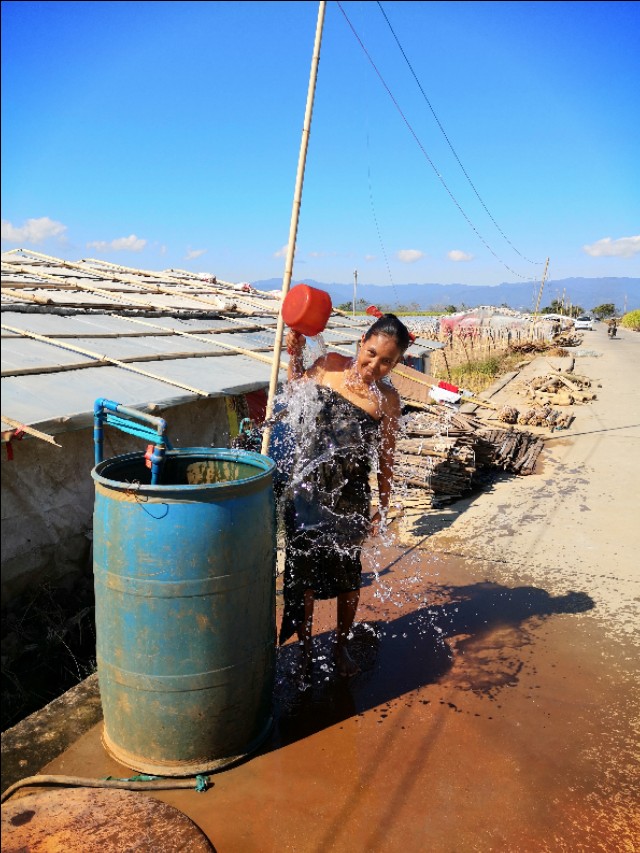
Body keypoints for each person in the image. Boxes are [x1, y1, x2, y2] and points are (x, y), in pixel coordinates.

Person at [279, 313, 411, 680]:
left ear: (397, 363)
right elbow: (294, 396)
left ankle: (340, 647)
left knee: (347, 578)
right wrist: (294, 356)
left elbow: (386, 461)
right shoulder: (327, 366)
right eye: (371, 354)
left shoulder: (386, 400)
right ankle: (305, 651)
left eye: (387, 361)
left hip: (349, 498)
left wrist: (382, 508)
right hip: (306, 491)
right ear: (361, 342)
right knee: (301, 578)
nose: (375, 366)